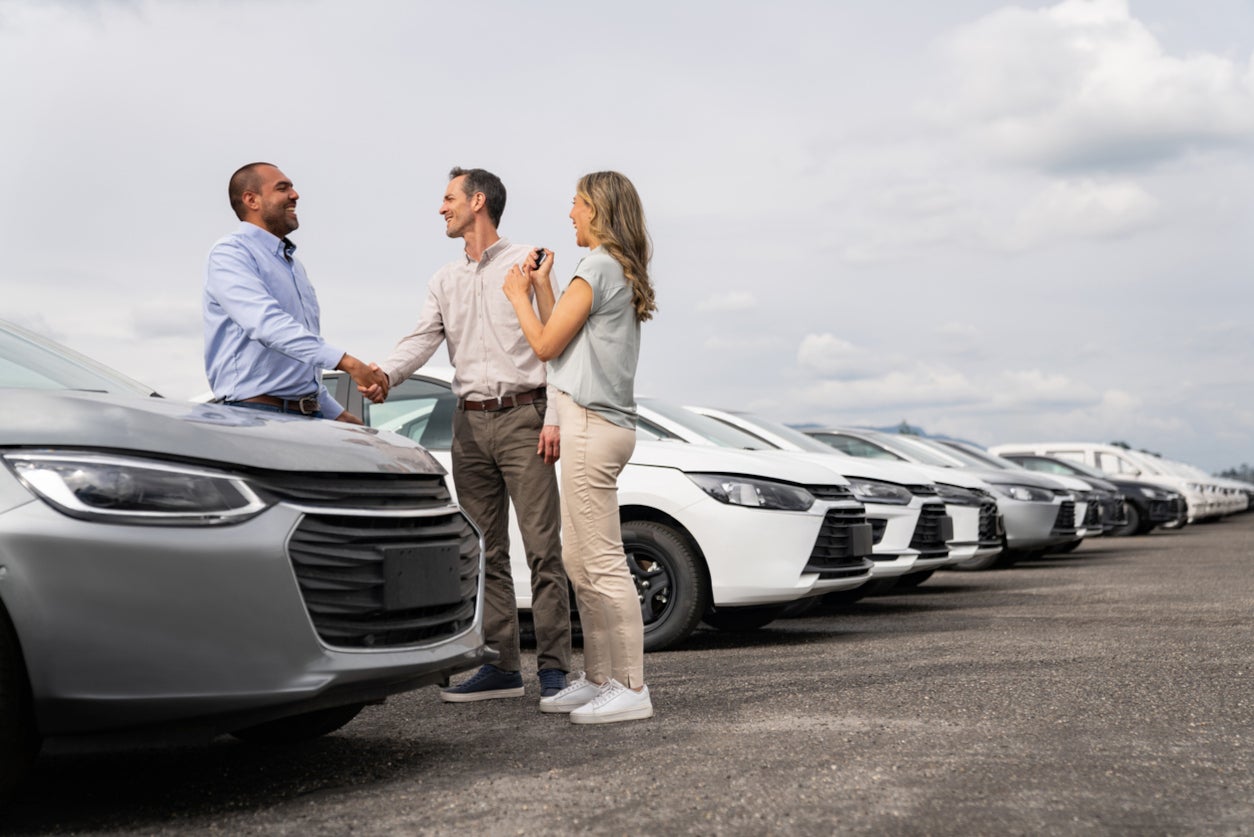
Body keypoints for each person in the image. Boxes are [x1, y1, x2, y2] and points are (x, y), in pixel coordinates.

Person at [370, 167, 572, 703]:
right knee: (485, 551)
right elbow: (420, 340)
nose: (441, 208)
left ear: (477, 201)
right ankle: (502, 666)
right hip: (468, 423)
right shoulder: (444, 280)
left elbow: (557, 343)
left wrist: (553, 415)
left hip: (524, 418)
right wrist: (383, 376)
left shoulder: (530, 260)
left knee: (543, 549)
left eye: (448, 198)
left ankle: (555, 669)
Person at [502, 170, 656, 725]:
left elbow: (543, 343)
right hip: (591, 423)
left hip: (592, 425)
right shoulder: (608, 268)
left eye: (576, 203)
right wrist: (544, 287)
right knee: (580, 559)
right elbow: (567, 344)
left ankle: (630, 687)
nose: (569, 212)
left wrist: (519, 294)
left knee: (602, 562)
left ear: (597, 209)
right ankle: (600, 680)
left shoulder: (596, 266)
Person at [204, 162, 387, 421]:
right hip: (254, 417)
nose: (295, 195)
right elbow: (267, 325)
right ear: (251, 200)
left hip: (306, 415)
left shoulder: (294, 267)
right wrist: (349, 363)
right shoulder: (231, 253)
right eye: (283, 188)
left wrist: (339, 416)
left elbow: (297, 365)